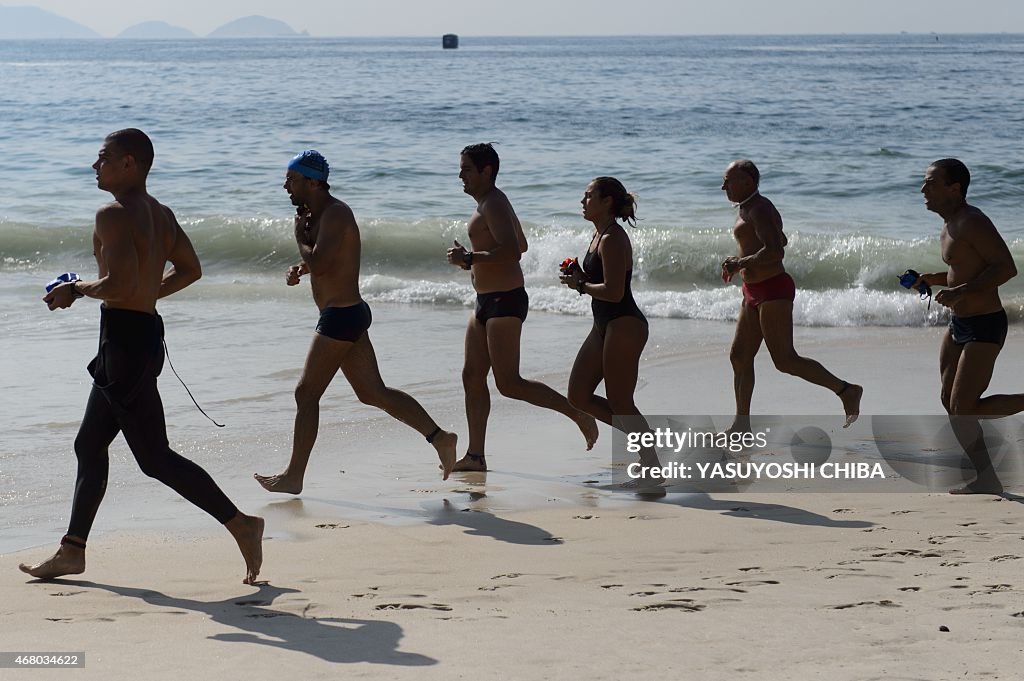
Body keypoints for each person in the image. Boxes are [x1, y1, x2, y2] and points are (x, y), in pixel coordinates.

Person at [22, 129, 264, 584]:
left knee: (154, 459)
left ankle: (242, 525)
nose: (95, 166)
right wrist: (148, 295)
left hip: (126, 343)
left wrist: (74, 289)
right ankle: (72, 551)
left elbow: (115, 284)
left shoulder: (112, 215)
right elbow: (190, 270)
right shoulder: (161, 214)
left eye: (103, 158)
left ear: (129, 162)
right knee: (89, 445)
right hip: (139, 334)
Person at [255, 150, 458, 492]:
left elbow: (320, 261)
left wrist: (301, 242)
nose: (285, 186)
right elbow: (329, 261)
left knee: (306, 393)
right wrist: (300, 268)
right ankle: (440, 437)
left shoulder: (335, 213)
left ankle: (294, 476)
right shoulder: (316, 215)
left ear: (313, 181)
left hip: (341, 316)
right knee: (372, 393)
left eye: (291, 179)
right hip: (343, 314)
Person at [446, 143, 598, 471]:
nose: (460, 175)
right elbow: (523, 243)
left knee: (509, 383)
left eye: (466, 169)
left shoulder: (494, 203)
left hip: (505, 300)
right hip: (485, 301)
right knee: (472, 376)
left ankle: (577, 413)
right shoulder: (488, 204)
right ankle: (476, 456)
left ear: (487, 171)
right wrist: (475, 261)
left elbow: (513, 250)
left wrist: (472, 257)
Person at [720, 159, 862, 432]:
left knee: (785, 360)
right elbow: (779, 239)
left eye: (729, 180)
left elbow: (776, 252)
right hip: (752, 290)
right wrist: (737, 262)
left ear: (748, 182)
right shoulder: (749, 208)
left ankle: (846, 390)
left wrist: (741, 263)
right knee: (739, 356)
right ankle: (741, 426)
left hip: (773, 289)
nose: (723, 186)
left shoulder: (760, 207)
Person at [908, 158, 1020, 495]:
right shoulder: (949, 223)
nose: (923, 189)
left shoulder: (972, 222)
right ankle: (986, 477)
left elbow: (1006, 268)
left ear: (955, 189)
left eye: (931, 183)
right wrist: (934, 278)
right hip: (959, 322)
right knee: (949, 401)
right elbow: (964, 270)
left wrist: (962, 291)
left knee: (965, 407)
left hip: (985, 324)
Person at [559, 177, 662, 483]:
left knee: (620, 402)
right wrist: (579, 275)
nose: (582, 201)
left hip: (625, 324)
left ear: (606, 202)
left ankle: (650, 461)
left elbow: (615, 292)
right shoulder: (598, 235)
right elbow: (598, 283)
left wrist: (581, 284)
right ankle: (643, 440)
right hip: (603, 325)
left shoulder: (613, 238)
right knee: (578, 395)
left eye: (588, 196)